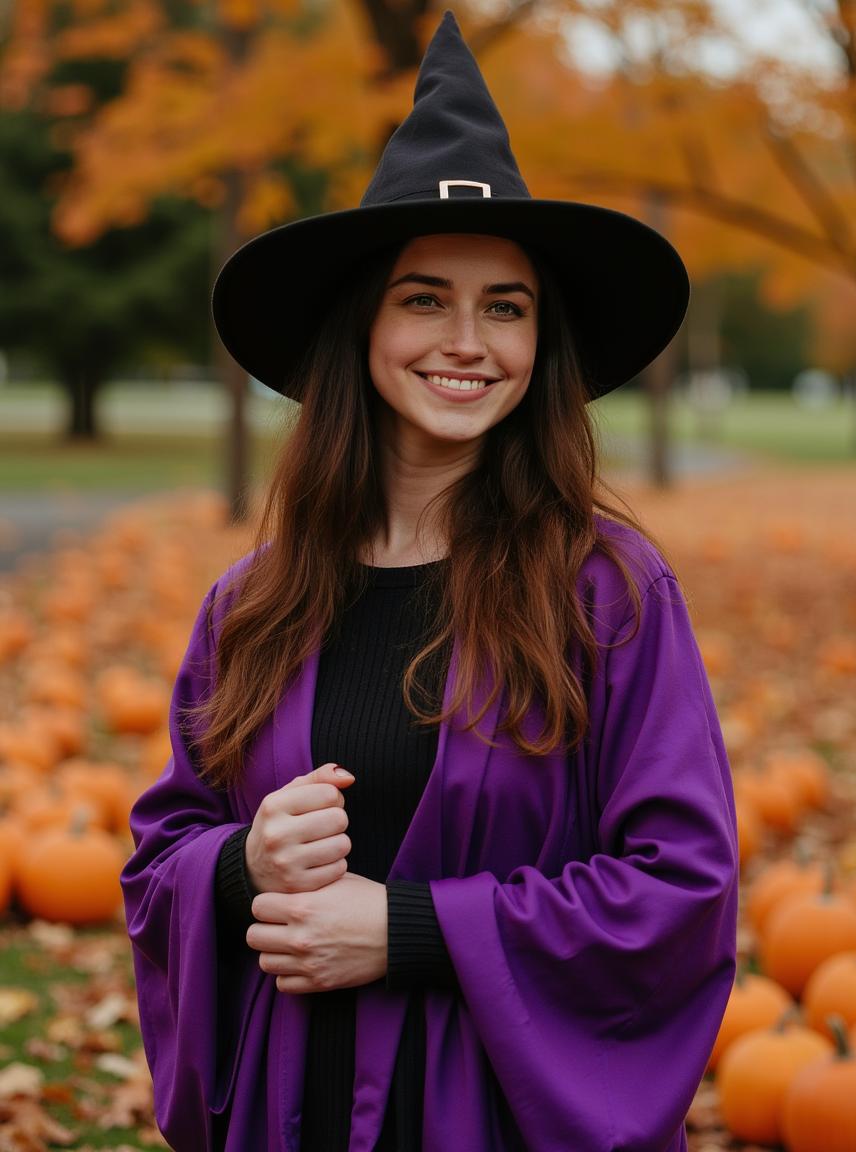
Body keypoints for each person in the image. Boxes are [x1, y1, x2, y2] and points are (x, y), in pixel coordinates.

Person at [121, 12, 738, 1152]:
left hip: (487, 1116)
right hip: (291, 1103)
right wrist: (240, 861)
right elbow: (158, 856)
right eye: (423, 298)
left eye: (505, 306)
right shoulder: (252, 605)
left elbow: (678, 889)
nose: (467, 340)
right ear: (361, 326)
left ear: (540, 344)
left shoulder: (604, 593)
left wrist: (409, 929)